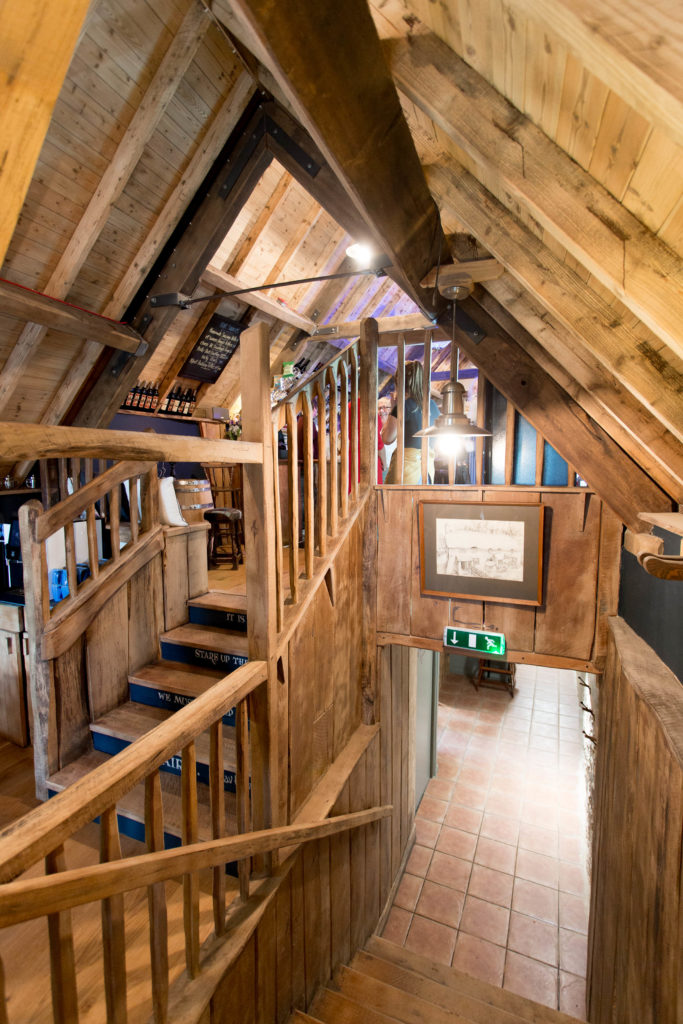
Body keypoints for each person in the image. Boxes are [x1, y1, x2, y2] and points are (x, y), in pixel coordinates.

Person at [381, 361, 439, 484]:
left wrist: (394, 408)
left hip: (406, 472)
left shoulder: (404, 405)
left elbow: (387, 438)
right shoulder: (433, 406)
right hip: (427, 471)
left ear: (399, 381)